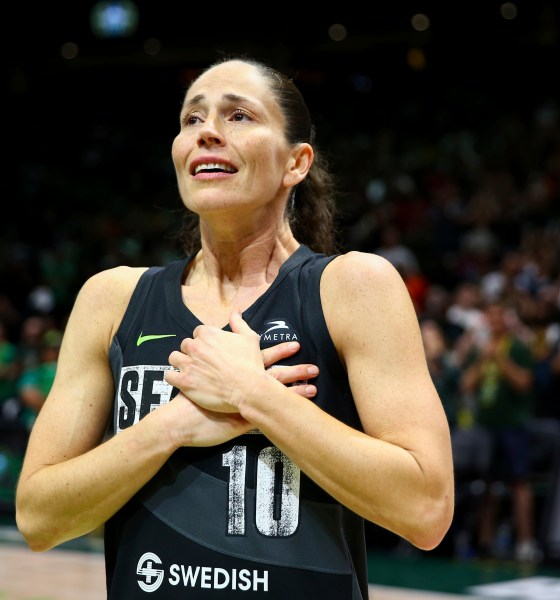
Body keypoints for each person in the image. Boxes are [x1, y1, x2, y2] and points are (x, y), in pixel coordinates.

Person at [15, 56, 454, 599]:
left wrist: (252, 395)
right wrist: (173, 425)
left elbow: (427, 509)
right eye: (191, 120)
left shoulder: (354, 288)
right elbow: (37, 516)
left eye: (239, 116)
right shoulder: (111, 298)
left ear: (296, 162)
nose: (207, 134)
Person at [460, 298, 539, 563]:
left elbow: (524, 383)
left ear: (507, 320)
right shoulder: (481, 349)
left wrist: (500, 359)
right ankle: (485, 542)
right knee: (488, 486)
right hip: (485, 426)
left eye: (499, 317)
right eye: (489, 317)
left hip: (513, 425)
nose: (494, 322)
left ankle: (526, 543)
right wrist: (484, 359)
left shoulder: (517, 347)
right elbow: (467, 384)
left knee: (520, 482)